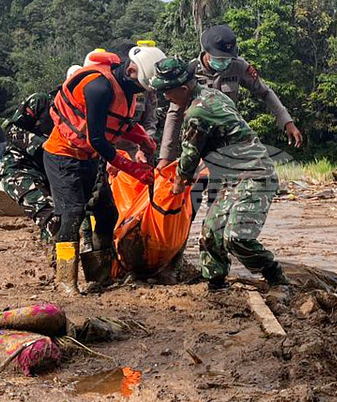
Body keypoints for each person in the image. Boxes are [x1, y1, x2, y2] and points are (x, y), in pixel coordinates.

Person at [152, 57, 289, 292]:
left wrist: (178, 183)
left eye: (167, 92)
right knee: (210, 235)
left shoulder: (197, 112)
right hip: (228, 179)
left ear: (183, 89)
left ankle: (274, 275)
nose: (166, 98)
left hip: (254, 175)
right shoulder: (212, 96)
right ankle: (215, 283)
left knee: (236, 237)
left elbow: (189, 155)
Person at [43, 47, 158, 295]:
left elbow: (122, 122)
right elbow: (97, 139)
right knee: (72, 215)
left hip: (89, 158)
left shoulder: (126, 89)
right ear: (130, 71)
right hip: (63, 156)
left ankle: (101, 276)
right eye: (141, 87)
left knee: (107, 213)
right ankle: (66, 280)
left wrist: (144, 141)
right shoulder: (99, 88)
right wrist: (133, 169)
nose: (140, 92)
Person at [157, 24, 303, 167]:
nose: (224, 62)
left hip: (228, 136)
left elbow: (265, 92)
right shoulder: (189, 73)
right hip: (200, 137)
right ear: (207, 53)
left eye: (227, 58)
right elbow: (174, 112)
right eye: (220, 58)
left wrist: (286, 121)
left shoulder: (238, 66)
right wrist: (166, 156)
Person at [0, 88, 59, 242]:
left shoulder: (81, 114)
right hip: (20, 168)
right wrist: (44, 145)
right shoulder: (41, 102)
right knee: (49, 215)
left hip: (52, 173)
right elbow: (11, 130)